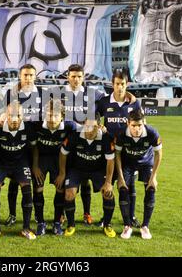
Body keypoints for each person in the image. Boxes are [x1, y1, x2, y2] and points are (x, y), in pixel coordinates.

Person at [0, 101, 38, 241]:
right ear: (6, 115)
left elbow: (34, 148)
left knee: (27, 188)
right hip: (0, 162)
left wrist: (35, 166)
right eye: (11, 115)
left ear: (23, 115)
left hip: (20, 163)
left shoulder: (28, 127)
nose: (15, 119)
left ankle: (26, 228)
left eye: (18, 115)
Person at [58, 114, 117, 238]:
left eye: (94, 126)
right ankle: (71, 225)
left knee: (108, 193)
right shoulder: (74, 135)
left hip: (98, 170)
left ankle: (107, 225)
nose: (90, 129)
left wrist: (108, 182)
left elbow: (110, 161)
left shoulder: (106, 138)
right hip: (77, 169)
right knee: (69, 193)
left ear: (100, 126)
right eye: (87, 126)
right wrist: (63, 173)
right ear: (84, 124)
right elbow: (63, 153)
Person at [97, 69, 141, 228]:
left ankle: (131, 216)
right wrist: (99, 124)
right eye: (117, 84)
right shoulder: (104, 101)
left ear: (126, 84)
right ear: (112, 84)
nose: (120, 87)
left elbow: (140, 123)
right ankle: (105, 217)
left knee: (129, 185)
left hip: (128, 151)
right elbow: (95, 113)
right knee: (108, 182)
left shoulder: (134, 103)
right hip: (109, 149)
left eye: (123, 84)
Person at [62, 64, 105, 225]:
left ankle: (86, 213)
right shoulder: (59, 95)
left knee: (85, 180)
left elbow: (110, 102)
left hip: (88, 142)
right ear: (68, 77)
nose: (76, 79)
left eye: (79, 76)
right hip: (67, 143)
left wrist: (130, 96)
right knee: (67, 181)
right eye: (73, 76)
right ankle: (63, 214)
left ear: (83, 77)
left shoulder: (93, 94)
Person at [2, 64, 42, 227]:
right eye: (25, 75)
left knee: (33, 180)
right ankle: (12, 214)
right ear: (20, 76)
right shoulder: (11, 94)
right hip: (16, 141)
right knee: (14, 181)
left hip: (36, 142)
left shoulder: (42, 94)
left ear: (35, 77)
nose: (28, 78)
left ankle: (37, 217)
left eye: (31, 75)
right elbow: (2, 112)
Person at [115, 109, 162, 239]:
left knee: (151, 189)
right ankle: (127, 226)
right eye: (133, 126)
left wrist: (154, 177)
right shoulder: (121, 134)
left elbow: (159, 154)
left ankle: (145, 226)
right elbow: (117, 154)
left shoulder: (152, 133)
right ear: (128, 124)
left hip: (146, 163)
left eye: (139, 125)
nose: (137, 129)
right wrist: (120, 177)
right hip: (128, 164)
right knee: (123, 189)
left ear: (144, 123)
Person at [31, 99, 76, 236]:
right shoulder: (36, 124)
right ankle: (40, 222)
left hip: (59, 160)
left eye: (55, 115)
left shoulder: (70, 126)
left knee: (60, 188)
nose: (51, 119)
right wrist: (35, 166)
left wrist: (63, 173)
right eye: (49, 115)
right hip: (41, 159)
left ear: (62, 116)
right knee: (38, 188)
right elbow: (34, 146)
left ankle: (57, 222)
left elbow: (87, 128)